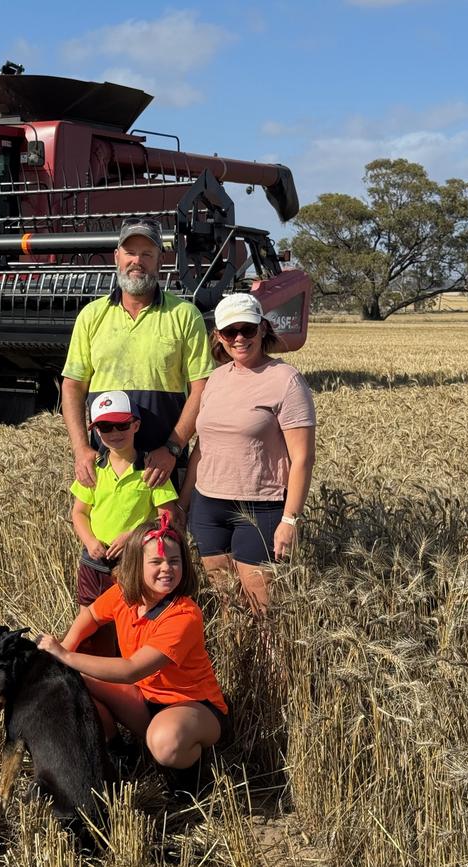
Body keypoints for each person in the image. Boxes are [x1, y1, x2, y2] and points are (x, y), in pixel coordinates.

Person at [38, 515, 228, 797]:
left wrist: (64, 654)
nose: (167, 569)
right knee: (71, 680)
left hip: (194, 709)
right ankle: (119, 751)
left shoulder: (184, 615)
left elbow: (131, 670)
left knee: (165, 742)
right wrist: (69, 642)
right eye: (156, 562)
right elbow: (91, 614)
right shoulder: (125, 595)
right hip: (145, 701)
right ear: (136, 565)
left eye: (174, 561)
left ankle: (191, 783)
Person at [178, 293, 316, 614]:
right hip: (208, 507)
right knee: (228, 605)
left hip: (261, 507)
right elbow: (202, 448)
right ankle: (233, 664)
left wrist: (290, 520)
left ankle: (269, 665)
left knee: (261, 609)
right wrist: (184, 504)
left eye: (248, 330)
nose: (239, 338)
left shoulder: (286, 381)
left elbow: (303, 459)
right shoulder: (215, 379)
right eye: (230, 332)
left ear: (263, 329)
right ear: (219, 336)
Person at [61, 217, 214, 491]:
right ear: (116, 257)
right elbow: (73, 386)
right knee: (103, 534)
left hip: (163, 468)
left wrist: (172, 448)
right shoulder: (91, 316)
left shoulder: (184, 316)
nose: (137, 261)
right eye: (130, 253)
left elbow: (202, 387)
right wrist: (81, 449)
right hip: (106, 466)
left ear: (160, 261)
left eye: (147, 254)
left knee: (165, 534)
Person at [71, 389, 177, 653]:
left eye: (122, 425)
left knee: (131, 628)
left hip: (133, 563)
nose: (115, 433)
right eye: (105, 427)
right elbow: (78, 513)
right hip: (93, 562)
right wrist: (90, 541)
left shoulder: (151, 469)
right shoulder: (93, 469)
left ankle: (129, 684)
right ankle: (91, 679)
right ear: (95, 431)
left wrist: (134, 536)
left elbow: (168, 516)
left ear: (136, 425)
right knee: (90, 628)